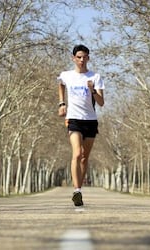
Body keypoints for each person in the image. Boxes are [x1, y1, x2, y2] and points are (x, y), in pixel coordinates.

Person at [57, 44, 105, 206]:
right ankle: (77, 191)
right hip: (74, 119)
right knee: (77, 154)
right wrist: (62, 103)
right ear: (73, 58)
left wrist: (92, 90)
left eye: (84, 57)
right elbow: (61, 84)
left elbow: (101, 102)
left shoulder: (95, 77)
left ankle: (80, 188)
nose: (82, 60)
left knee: (85, 158)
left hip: (90, 120)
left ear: (88, 58)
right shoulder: (66, 75)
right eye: (79, 57)